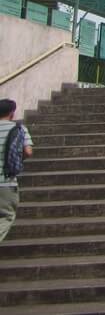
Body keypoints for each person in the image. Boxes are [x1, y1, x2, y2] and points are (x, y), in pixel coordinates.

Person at [0, 99, 34, 242]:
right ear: (12, 113)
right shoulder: (19, 129)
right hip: (6, 182)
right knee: (7, 216)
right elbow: (28, 151)